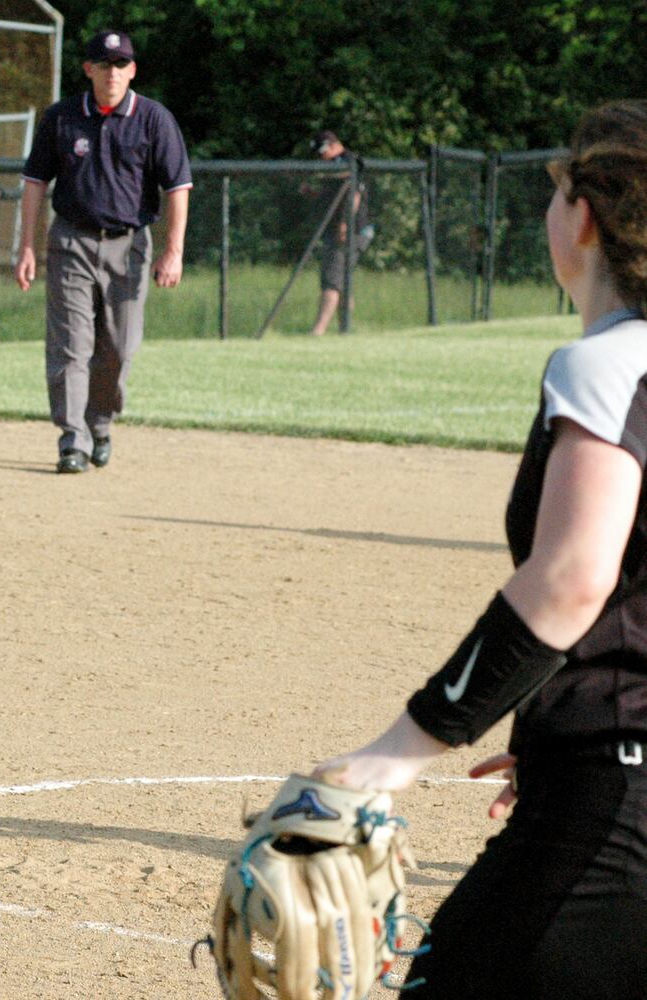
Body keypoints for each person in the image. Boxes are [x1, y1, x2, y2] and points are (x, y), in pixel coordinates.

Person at [305, 100, 647, 998]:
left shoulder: (607, 366)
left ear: (583, 219)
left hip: (615, 798)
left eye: (556, 194)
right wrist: (552, 719)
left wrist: (405, 745)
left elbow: (573, 579)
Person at [15, 29, 192, 473]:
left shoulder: (153, 119)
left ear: (131, 70)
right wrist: (27, 248)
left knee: (119, 346)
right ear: (89, 69)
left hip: (129, 245)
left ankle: (100, 422)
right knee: (71, 345)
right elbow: (35, 182)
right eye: (104, 63)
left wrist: (174, 251)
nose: (112, 72)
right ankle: (71, 439)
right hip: (71, 240)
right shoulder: (62, 118)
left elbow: (177, 186)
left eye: (121, 64)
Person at [306, 129, 369, 336]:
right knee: (341, 280)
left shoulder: (348, 160)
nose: (321, 158)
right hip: (344, 229)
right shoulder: (333, 164)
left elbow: (354, 195)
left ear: (334, 145)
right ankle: (345, 330)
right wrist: (313, 194)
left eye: (323, 152)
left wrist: (345, 224)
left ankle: (318, 331)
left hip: (352, 230)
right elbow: (333, 196)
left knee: (332, 280)